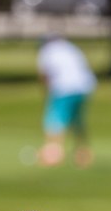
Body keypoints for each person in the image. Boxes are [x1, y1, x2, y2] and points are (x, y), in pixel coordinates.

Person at [36, 35, 95, 167]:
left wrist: (47, 91)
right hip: (84, 87)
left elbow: (44, 75)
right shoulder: (70, 47)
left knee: (54, 120)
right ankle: (83, 153)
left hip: (64, 87)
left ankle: (53, 154)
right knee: (76, 120)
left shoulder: (47, 51)